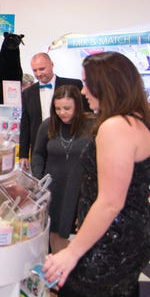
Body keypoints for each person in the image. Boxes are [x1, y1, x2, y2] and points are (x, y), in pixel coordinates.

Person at [41, 51, 150, 297]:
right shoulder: (140, 121)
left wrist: (71, 253)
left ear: (107, 85)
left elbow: (110, 202)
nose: (83, 92)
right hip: (133, 234)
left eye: (87, 84)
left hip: (112, 242)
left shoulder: (114, 127)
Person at [30, 85, 91, 254]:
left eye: (67, 108)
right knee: (54, 231)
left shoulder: (91, 126)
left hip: (80, 188)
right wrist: (38, 180)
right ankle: (59, 266)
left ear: (77, 105)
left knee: (82, 231)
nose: (62, 113)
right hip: (53, 187)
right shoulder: (48, 125)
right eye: (57, 109)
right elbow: (38, 154)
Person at [19, 53, 83, 170]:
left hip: (69, 144)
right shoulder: (27, 93)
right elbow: (25, 123)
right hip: (39, 147)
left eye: (42, 69)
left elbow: (84, 115)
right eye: (35, 70)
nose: (38, 74)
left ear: (52, 65)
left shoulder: (73, 85)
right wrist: (23, 154)